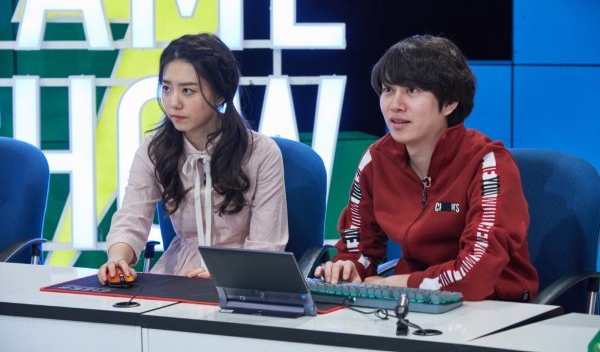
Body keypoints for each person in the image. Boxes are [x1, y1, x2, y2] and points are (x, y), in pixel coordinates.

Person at [317, 35, 538, 302]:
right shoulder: (376, 159)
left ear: (450, 102)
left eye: (412, 90)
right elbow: (358, 248)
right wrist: (349, 268)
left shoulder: (488, 163)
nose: (395, 105)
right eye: (388, 90)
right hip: (411, 303)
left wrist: (403, 283)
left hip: (493, 304)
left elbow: (477, 272)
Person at [98, 33, 287, 282]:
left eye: (187, 91)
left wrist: (226, 274)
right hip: (180, 273)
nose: (173, 102)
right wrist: (118, 258)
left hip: (245, 276)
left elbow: (267, 246)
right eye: (166, 88)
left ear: (220, 94)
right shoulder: (154, 149)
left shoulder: (261, 153)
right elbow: (132, 217)